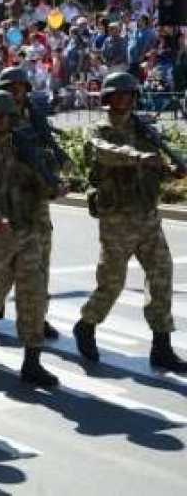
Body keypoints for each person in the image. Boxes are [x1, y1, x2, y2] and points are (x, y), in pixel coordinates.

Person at [74, 72, 187, 373]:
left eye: (129, 94)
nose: (125, 99)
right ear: (108, 99)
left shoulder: (144, 129)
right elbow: (103, 153)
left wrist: (169, 168)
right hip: (117, 218)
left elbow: (154, 165)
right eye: (119, 94)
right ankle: (87, 324)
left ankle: (161, 346)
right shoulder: (99, 129)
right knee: (112, 283)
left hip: (147, 215)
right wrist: (140, 157)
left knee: (161, 276)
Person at [0, 90, 60, 389]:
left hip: (29, 230)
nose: (3, 121)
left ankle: (32, 360)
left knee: (34, 294)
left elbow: (45, 181)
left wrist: (53, 184)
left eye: (7, 116)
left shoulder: (26, 148)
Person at [0, 66, 62, 339]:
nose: (16, 92)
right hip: (7, 201)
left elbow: (47, 148)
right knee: (1, 265)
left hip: (36, 198)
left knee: (40, 263)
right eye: (10, 88)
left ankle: (37, 316)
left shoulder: (34, 116)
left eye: (20, 87)